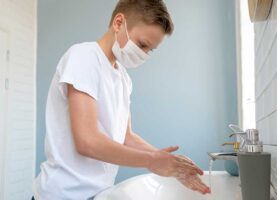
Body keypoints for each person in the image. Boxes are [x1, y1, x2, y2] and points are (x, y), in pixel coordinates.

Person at [33, 0, 211, 199]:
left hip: (98, 193)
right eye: (142, 44)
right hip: (62, 194)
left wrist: (170, 163)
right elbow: (87, 141)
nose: (143, 54)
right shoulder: (84, 57)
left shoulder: (123, 79)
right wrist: (151, 160)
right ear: (118, 23)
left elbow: (126, 137)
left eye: (149, 50)